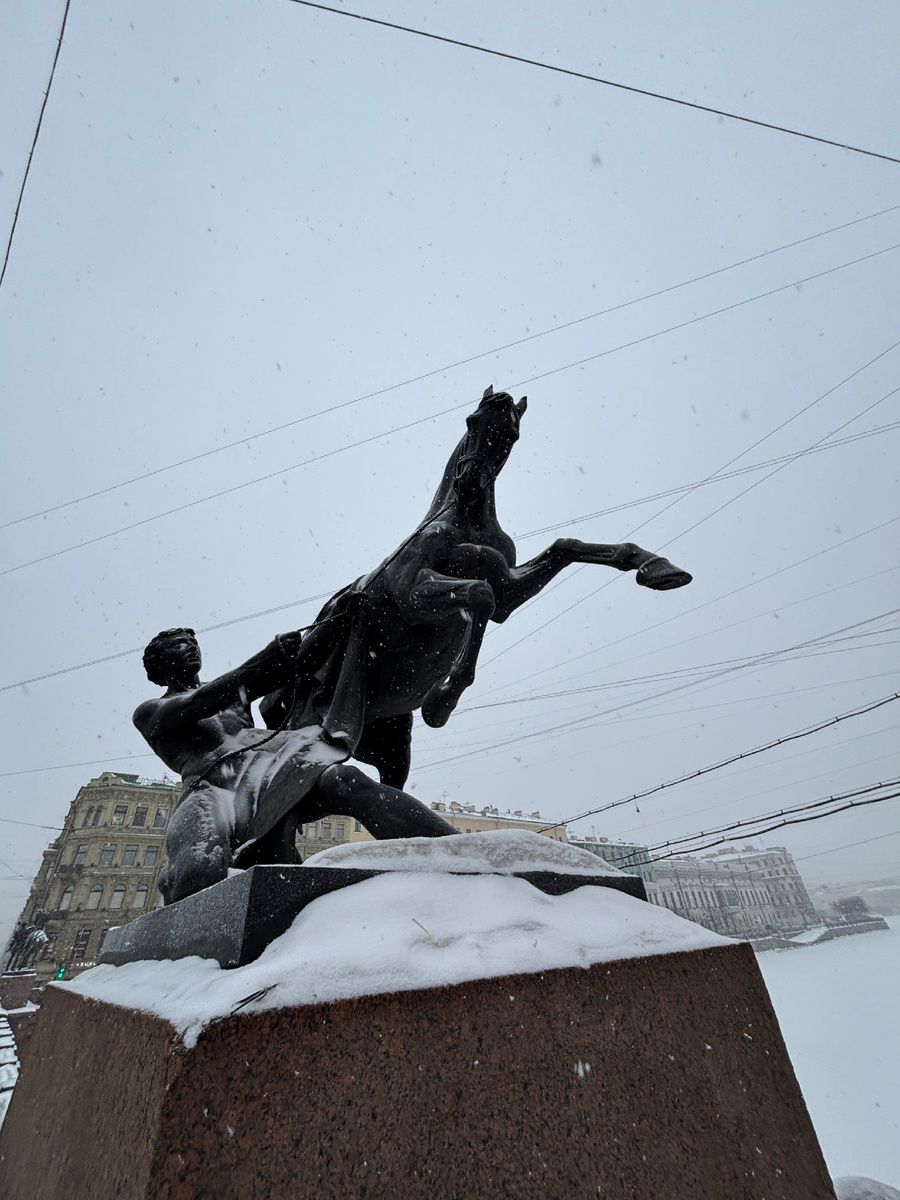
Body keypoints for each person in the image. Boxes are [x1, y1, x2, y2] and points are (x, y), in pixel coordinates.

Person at [134, 623, 458, 905]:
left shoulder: (234, 695)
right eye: (179, 646)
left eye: (193, 643)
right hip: (211, 791)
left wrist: (332, 635)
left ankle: (460, 849)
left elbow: (274, 678)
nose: (191, 649)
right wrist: (265, 660)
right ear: (160, 664)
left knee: (345, 780)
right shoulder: (151, 710)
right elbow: (201, 702)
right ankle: (176, 875)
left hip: (261, 775)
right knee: (200, 872)